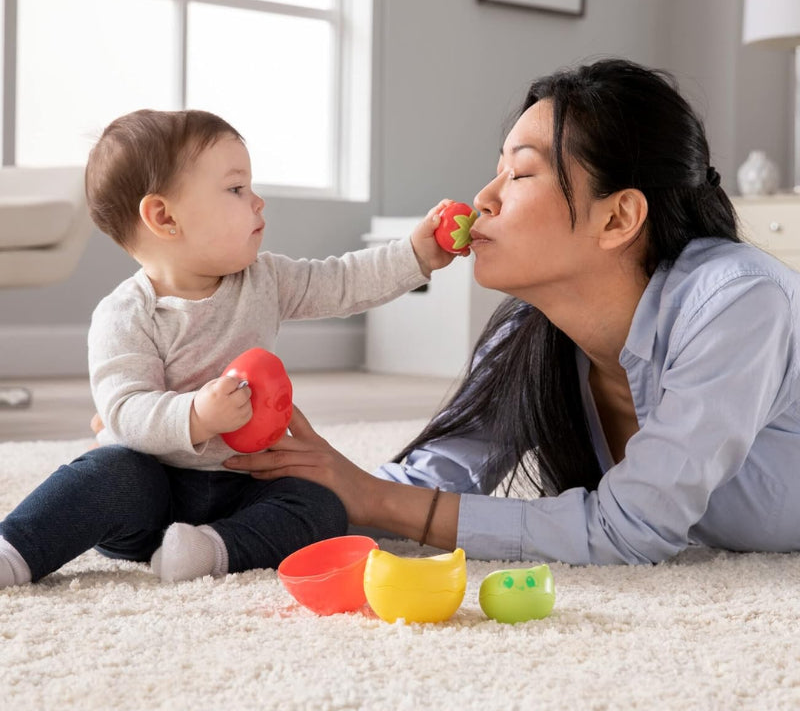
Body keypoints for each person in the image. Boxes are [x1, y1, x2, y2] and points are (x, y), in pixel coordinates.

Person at [223, 58, 800, 566]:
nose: (483, 199)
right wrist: (253, 493)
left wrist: (375, 500)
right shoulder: (533, 330)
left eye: (520, 173)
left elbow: (631, 530)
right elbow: (434, 479)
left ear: (618, 218)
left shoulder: (738, 304)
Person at [0, 108, 456, 588]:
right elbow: (124, 410)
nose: (258, 202)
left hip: (245, 482)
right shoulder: (126, 313)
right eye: (237, 189)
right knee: (104, 475)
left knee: (321, 507)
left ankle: (212, 550)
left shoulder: (266, 280)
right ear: (164, 216)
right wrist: (196, 415)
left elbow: (343, 281)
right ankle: (17, 549)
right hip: (149, 490)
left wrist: (414, 254)